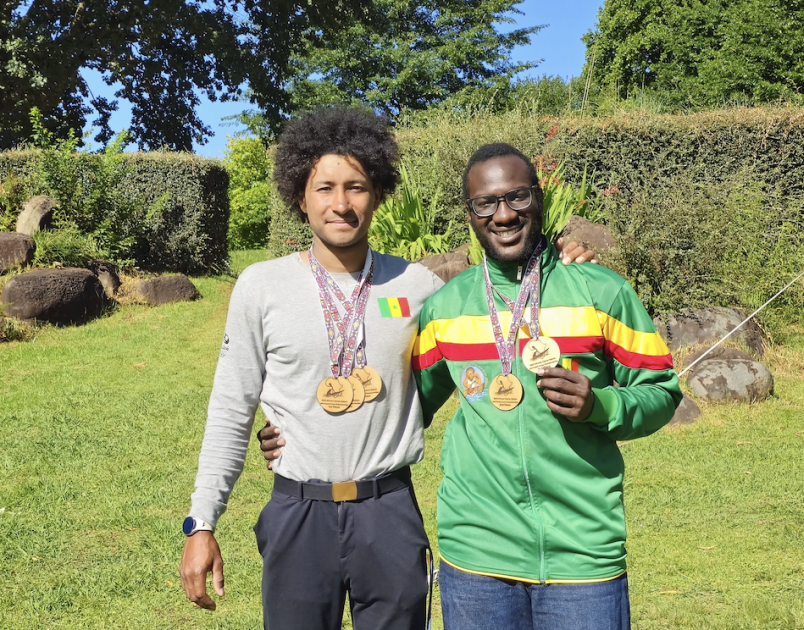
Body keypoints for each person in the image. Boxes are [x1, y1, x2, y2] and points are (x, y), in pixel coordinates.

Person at [179, 107, 594, 630]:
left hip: (389, 512)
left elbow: (494, 315)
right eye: (324, 187)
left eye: (356, 186)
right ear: (299, 197)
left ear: (377, 193)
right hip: (298, 513)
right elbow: (229, 409)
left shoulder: (417, 287)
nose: (340, 203)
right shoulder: (261, 288)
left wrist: (557, 264)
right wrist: (202, 522)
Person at [410, 143, 683, 629]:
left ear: (538, 199)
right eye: (485, 203)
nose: (503, 215)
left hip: (582, 552)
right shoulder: (446, 308)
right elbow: (406, 408)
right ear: (470, 214)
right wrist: (301, 432)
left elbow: (661, 390)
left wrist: (600, 405)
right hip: (476, 555)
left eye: (517, 197)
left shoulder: (601, 292)